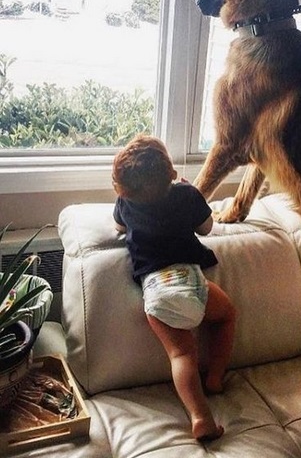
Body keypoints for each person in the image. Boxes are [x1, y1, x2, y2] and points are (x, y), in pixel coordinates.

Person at [112, 134, 236, 441]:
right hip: (192, 282)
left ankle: (200, 416)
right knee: (227, 315)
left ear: (124, 188)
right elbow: (207, 227)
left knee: (182, 355)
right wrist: (187, 190)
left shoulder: (125, 204)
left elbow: (118, 228)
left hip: (157, 290)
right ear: (169, 170)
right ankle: (217, 377)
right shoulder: (186, 194)